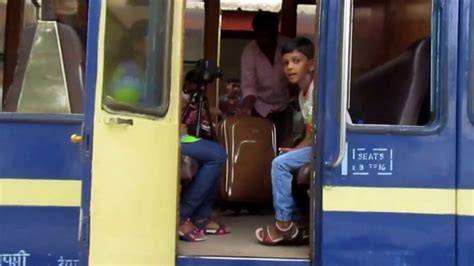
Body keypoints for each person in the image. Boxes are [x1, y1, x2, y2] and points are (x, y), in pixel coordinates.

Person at [255, 37, 315, 245]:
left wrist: (294, 154)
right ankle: (299, 219)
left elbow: (322, 136)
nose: (289, 67)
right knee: (284, 157)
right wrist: (294, 151)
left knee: (279, 164)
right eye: (285, 63)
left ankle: (283, 224)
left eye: (296, 61)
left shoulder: (318, 92)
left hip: (332, 147)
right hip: (319, 145)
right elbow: (310, 135)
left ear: (312, 64)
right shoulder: (302, 96)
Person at [239, 11, 291, 146]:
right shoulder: (249, 52)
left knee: (283, 145)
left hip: (286, 105)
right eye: (259, 36)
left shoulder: (288, 46)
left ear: (275, 32)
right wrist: (246, 108)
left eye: (267, 35)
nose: (263, 40)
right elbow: (249, 85)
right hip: (260, 107)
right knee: (262, 145)